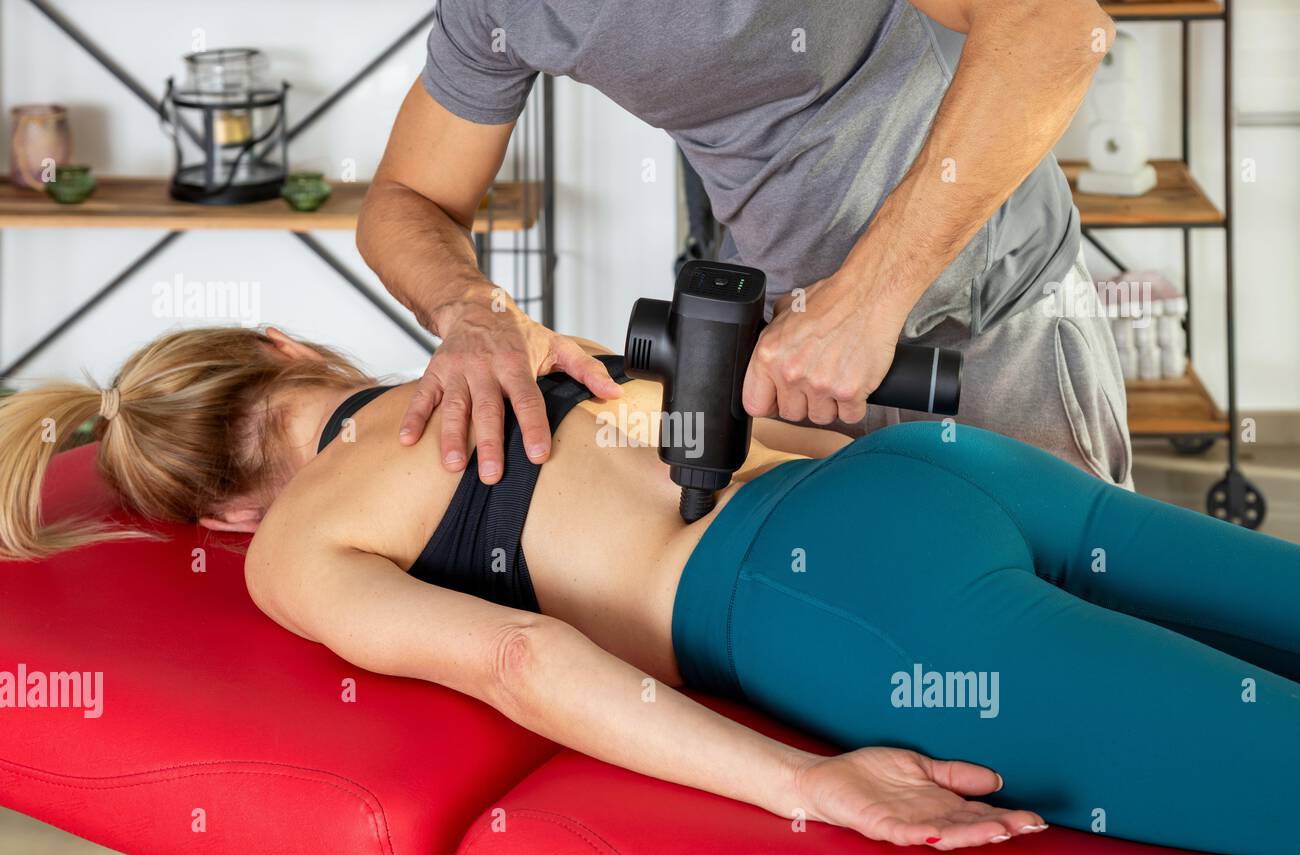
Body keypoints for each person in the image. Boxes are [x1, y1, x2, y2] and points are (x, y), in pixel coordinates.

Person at [2, 325, 1296, 855]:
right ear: (285, 350)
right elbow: (719, 431)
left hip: (864, 609)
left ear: (214, 517)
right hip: (932, 474)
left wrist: (809, 784)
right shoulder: (506, 356)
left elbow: (523, 663)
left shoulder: (293, 546)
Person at [357, 0, 1132, 490]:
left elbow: (1057, 25)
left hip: (992, 324)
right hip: (796, 367)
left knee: (1078, 630)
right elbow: (405, 200)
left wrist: (866, 300)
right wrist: (473, 309)